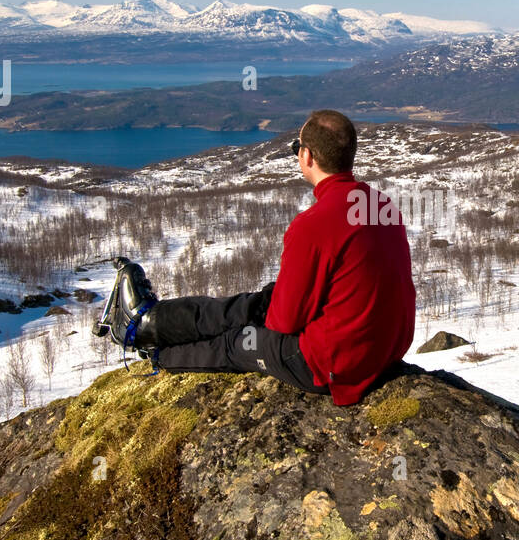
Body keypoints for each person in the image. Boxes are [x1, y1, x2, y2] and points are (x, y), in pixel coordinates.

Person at [92, 109, 416, 406]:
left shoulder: (314, 225)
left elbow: (283, 322)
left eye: (296, 148)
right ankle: (148, 319)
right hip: (380, 351)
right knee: (254, 304)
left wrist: (270, 310)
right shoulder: (382, 206)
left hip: (329, 364)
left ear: (306, 155)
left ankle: (155, 352)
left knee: (236, 341)